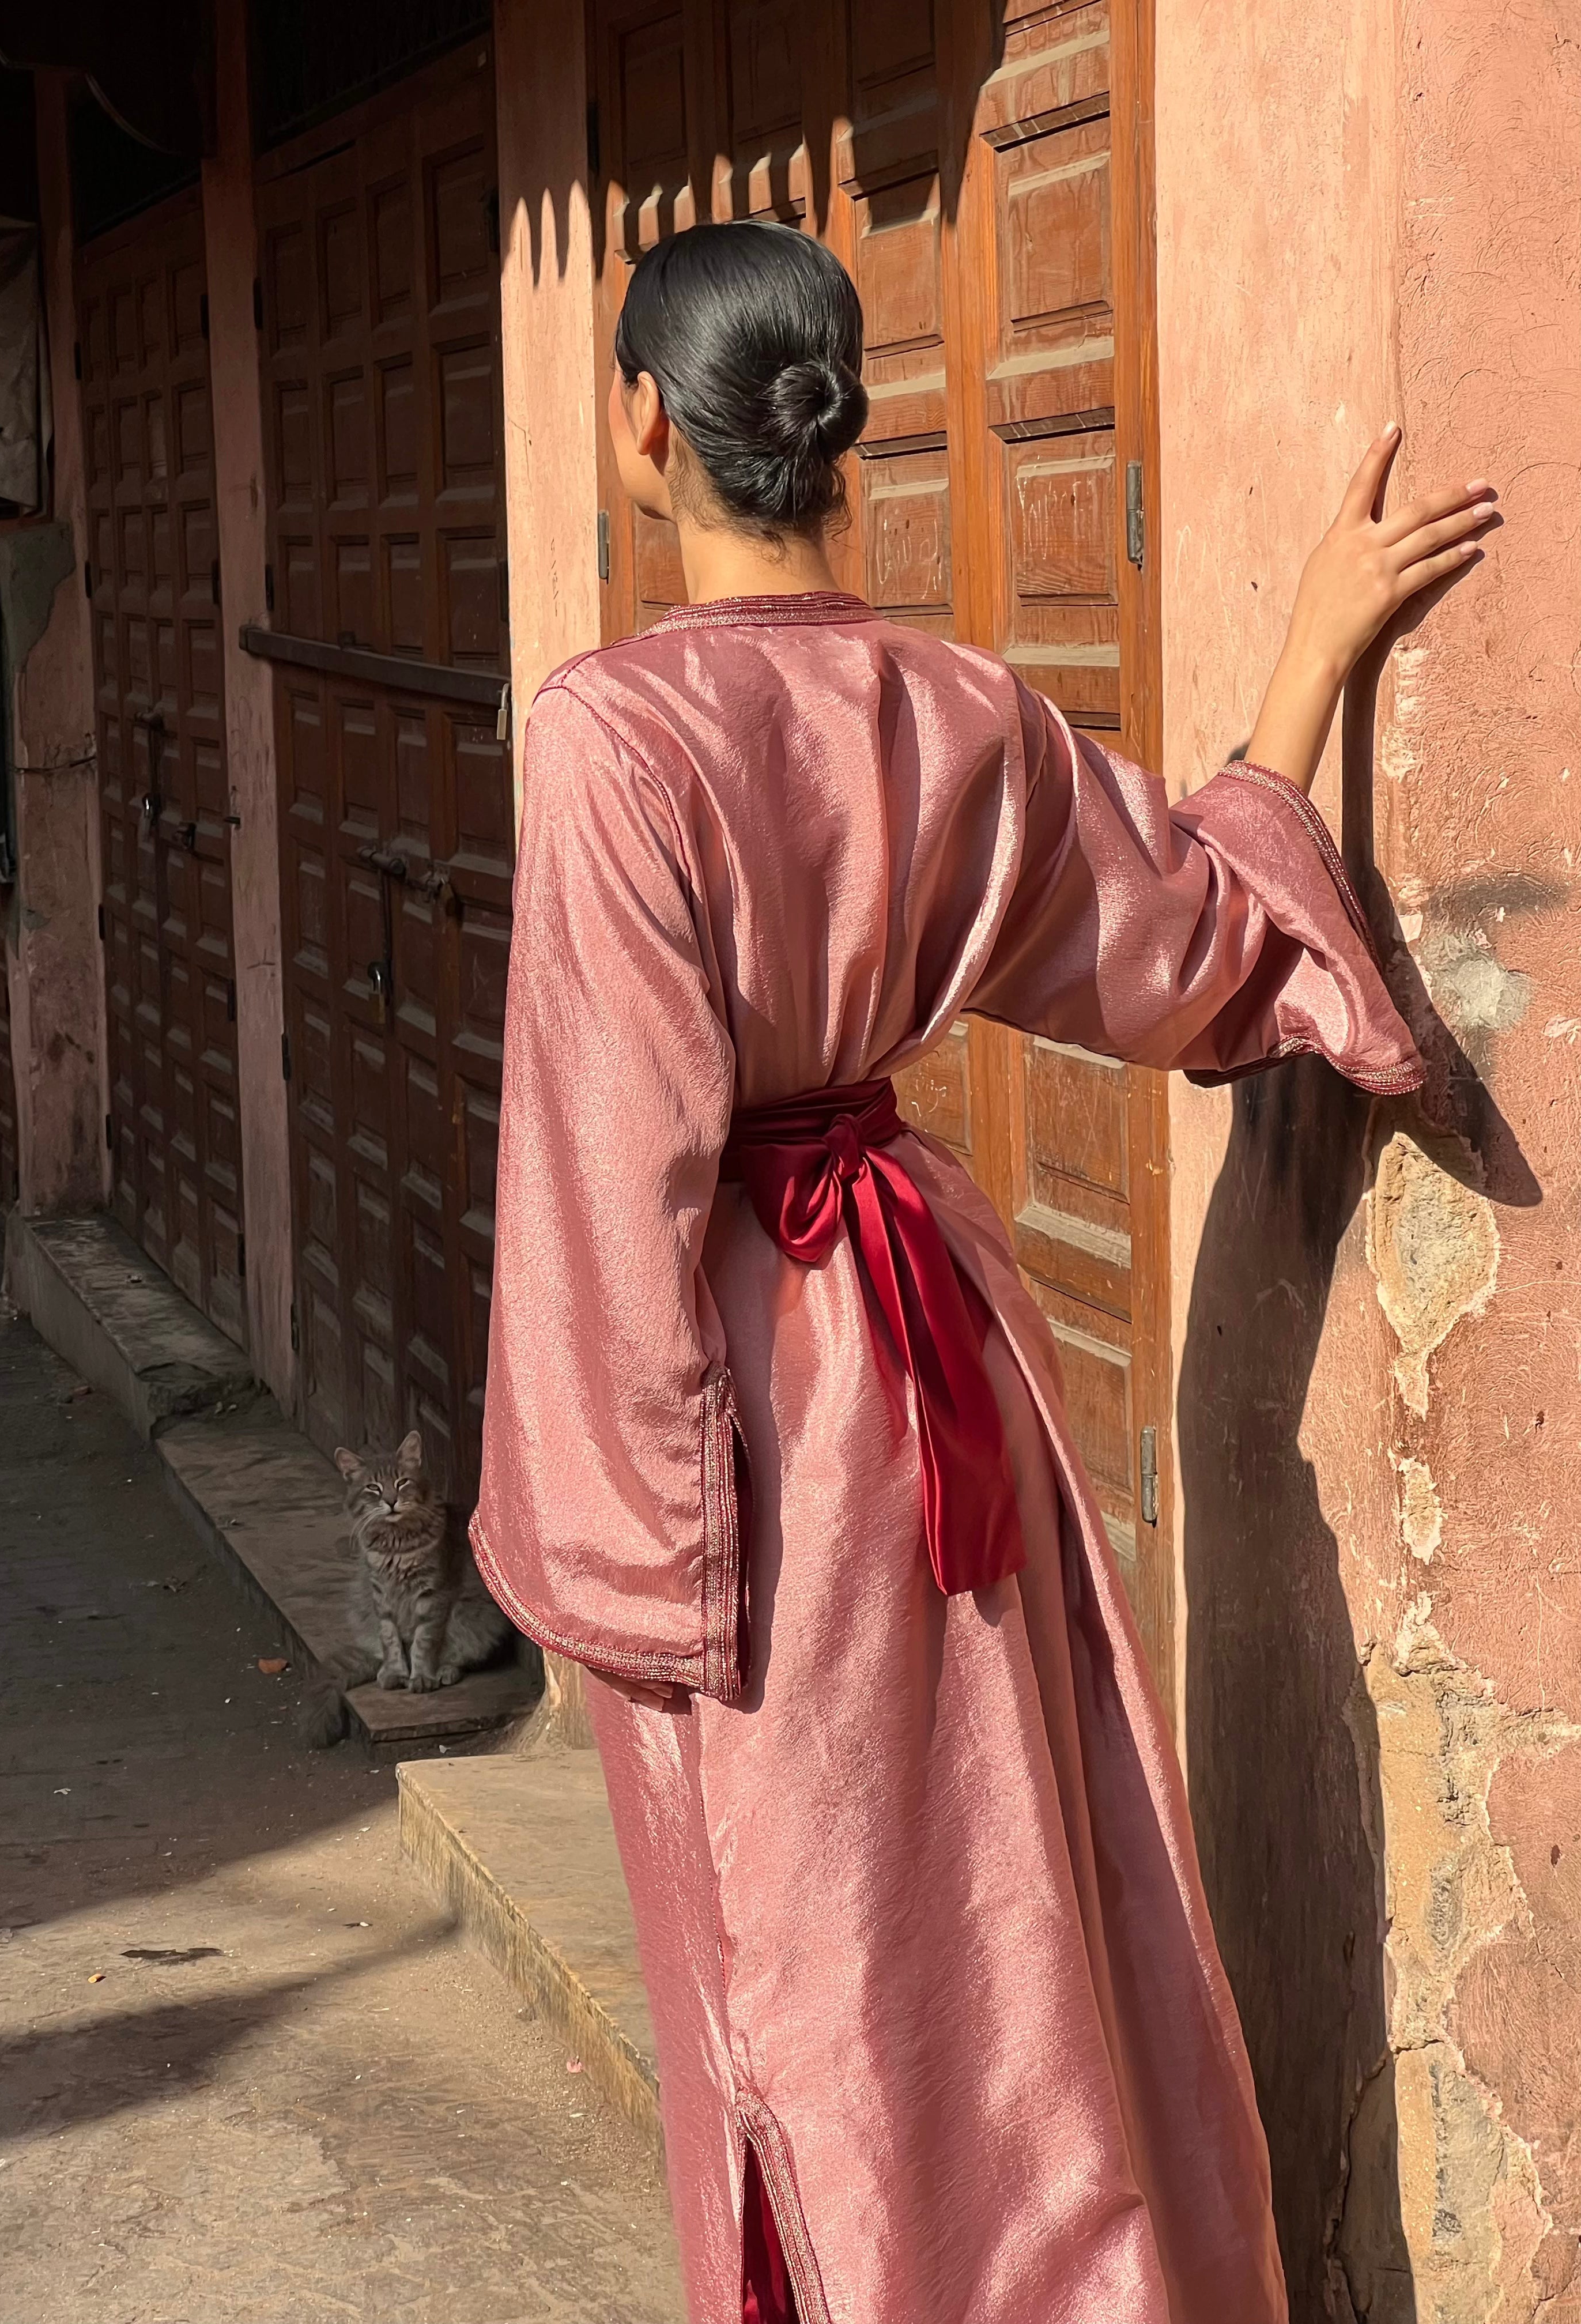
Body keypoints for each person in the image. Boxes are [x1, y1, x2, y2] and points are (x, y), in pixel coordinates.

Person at [471, 221, 1494, 2324]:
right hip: (941, 1350)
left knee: (797, 1984)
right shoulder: (957, 711)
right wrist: (1310, 661)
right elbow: (1193, 944)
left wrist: (625, 1585)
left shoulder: (609, 733)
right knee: (1005, 1927)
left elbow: (609, 1178)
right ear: (831, 431)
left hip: (747, 1431)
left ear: (644, 423)